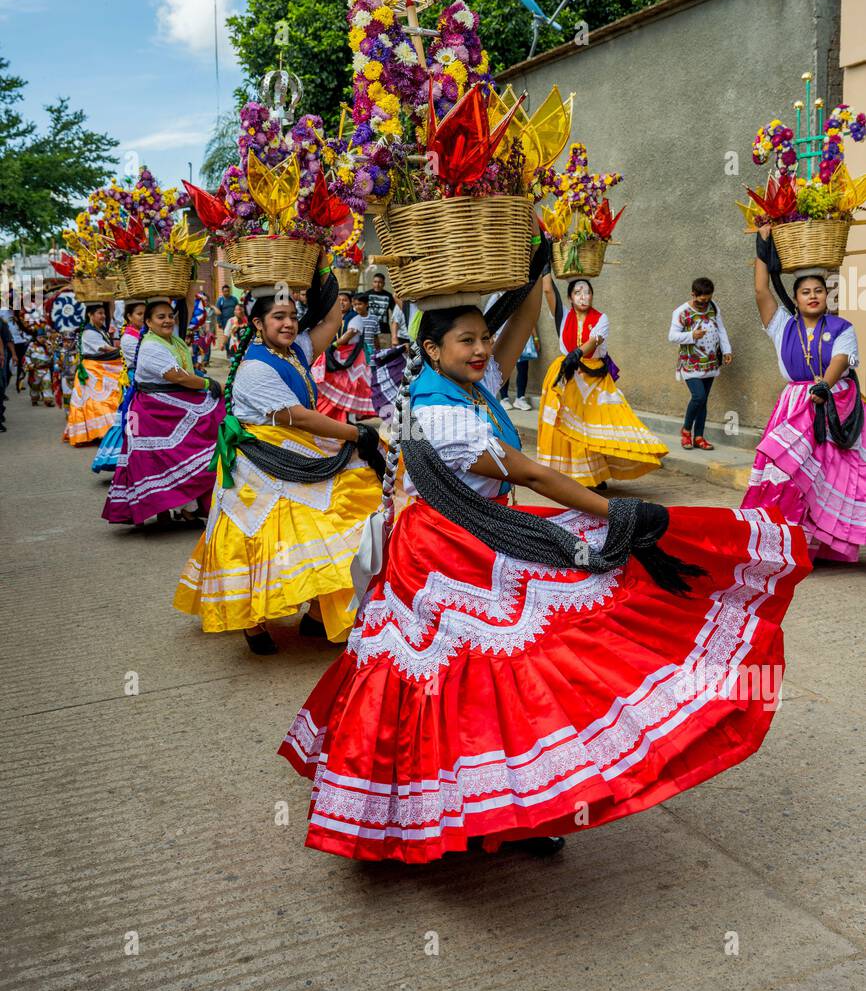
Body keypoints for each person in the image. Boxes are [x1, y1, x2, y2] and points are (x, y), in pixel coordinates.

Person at [277, 267, 810, 864]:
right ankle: (477, 809)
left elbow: (520, 329)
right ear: (432, 350)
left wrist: (538, 264)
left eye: (484, 338)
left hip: (477, 536)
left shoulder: (463, 386)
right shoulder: (443, 411)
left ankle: (501, 807)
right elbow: (528, 473)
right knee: (486, 675)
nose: (482, 350)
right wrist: (618, 514)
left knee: (492, 673)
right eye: (467, 341)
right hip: (446, 552)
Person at [174, 281, 386, 651]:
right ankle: (252, 623)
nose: (288, 324)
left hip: (297, 453)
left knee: (334, 524)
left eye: (292, 316)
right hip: (261, 466)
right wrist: (356, 433)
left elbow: (334, 319)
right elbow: (300, 417)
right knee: (263, 538)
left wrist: (324, 267)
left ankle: (318, 615)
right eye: (278, 317)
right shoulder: (255, 370)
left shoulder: (294, 352)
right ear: (258, 323)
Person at [741, 230, 866, 562]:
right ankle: (784, 539)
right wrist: (762, 244)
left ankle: (824, 545)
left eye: (819, 291)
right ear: (795, 298)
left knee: (830, 476)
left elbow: (842, 359)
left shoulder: (842, 328)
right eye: (805, 292)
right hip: (796, 406)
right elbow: (760, 288)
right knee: (789, 473)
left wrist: (824, 384)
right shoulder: (781, 325)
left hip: (834, 405)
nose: (813, 296)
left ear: (828, 295)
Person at [102, 296, 225, 527]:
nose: (168, 320)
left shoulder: (171, 341)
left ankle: (187, 508)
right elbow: (175, 375)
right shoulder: (150, 345)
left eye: (170, 316)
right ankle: (173, 509)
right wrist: (208, 384)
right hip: (153, 411)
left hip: (166, 405)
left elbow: (186, 310)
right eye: (161, 317)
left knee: (182, 454)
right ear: (148, 322)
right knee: (173, 456)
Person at [537, 277, 668, 488]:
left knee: (595, 426)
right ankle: (568, 475)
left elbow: (595, 339)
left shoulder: (601, 318)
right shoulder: (562, 316)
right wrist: (544, 259)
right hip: (567, 375)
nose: (583, 296)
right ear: (570, 297)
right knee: (565, 426)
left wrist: (578, 352)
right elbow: (547, 290)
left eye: (587, 292)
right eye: (578, 292)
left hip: (593, 377)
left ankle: (594, 476)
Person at [669, 278, 733, 450]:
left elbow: (721, 329)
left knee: (703, 401)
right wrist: (691, 336)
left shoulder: (713, 307)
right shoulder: (681, 312)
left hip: (711, 362)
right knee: (699, 397)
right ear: (693, 294)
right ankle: (686, 431)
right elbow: (672, 336)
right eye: (701, 300)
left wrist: (727, 350)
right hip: (691, 363)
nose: (705, 304)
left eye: (708, 299)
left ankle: (699, 437)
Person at [91, 301, 146, 474]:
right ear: (129, 317)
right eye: (139, 314)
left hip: (139, 380)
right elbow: (142, 362)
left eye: (146, 313)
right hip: (134, 382)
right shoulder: (129, 338)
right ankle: (128, 460)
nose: (143, 317)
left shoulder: (142, 333)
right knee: (133, 420)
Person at [63, 303, 123, 446]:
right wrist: (124, 350)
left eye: (104, 313)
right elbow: (107, 349)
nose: (103, 316)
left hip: (98, 369)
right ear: (90, 315)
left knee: (97, 403)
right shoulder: (89, 332)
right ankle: (103, 432)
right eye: (99, 313)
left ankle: (100, 433)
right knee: (98, 402)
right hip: (92, 371)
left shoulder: (99, 330)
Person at [311, 290, 377, 421]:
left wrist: (334, 344)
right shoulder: (333, 317)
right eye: (339, 300)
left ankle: (347, 418)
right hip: (335, 356)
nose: (341, 303)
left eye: (344, 300)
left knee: (350, 387)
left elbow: (350, 333)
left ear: (350, 303)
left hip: (353, 358)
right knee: (333, 383)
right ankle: (332, 416)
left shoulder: (355, 317)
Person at [500, 325, 539, 410]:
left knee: (523, 368)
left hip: (522, 336)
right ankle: (504, 398)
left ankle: (520, 398)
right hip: (505, 336)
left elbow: (531, 319)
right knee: (505, 367)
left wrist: (535, 337)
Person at [22, 329, 55, 406]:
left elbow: (52, 354)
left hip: (46, 369)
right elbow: (27, 356)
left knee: (47, 384)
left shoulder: (49, 344)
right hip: (35, 369)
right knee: (35, 385)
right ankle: (34, 399)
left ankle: (48, 400)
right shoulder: (31, 345)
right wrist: (30, 364)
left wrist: (50, 348)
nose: (42, 339)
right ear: (36, 337)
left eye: (44, 337)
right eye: (40, 337)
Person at [216, 285, 238, 349]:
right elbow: (218, 311)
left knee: (234, 335)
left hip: (234, 320)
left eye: (228, 291)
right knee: (227, 335)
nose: (227, 293)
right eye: (225, 291)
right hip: (224, 321)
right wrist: (219, 322)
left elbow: (238, 308)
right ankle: (229, 352)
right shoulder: (220, 300)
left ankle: (234, 350)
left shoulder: (234, 299)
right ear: (222, 292)